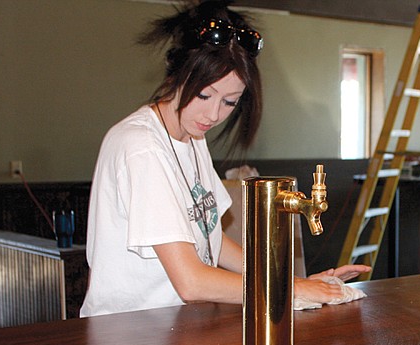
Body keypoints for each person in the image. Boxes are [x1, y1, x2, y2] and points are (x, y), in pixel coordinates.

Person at [80, 0, 370, 317]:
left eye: (230, 102)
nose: (213, 114)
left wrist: (291, 281)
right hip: (128, 338)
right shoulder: (141, 146)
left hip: (174, 330)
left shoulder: (192, 137)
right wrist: (292, 289)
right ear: (175, 73)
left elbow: (211, 240)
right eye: (204, 95)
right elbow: (191, 283)